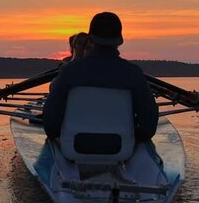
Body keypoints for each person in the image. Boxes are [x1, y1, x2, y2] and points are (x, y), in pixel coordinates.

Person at [43, 12, 159, 142]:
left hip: (74, 146)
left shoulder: (69, 72)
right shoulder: (133, 73)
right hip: (121, 148)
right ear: (120, 41)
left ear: (90, 39)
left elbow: (50, 125)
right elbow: (149, 124)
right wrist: (136, 138)